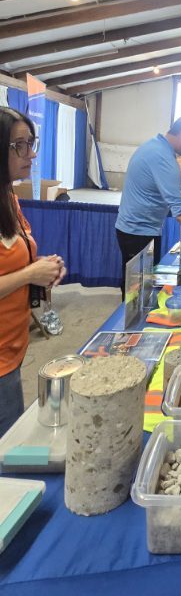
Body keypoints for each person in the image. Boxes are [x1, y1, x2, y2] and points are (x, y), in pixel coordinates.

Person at [0, 107, 66, 436]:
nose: (32, 154)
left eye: (32, 143)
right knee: (11, 448)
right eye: (20, 146)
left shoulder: (9, 198)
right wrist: (29, 275)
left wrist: (41, 268)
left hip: (13, 348)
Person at [115, 116, 181, 297]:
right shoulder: (163, 158)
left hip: (136, 228)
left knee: (138, 284)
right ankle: (129, 315)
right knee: (136, 290)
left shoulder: (153, 146)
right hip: (138, 232)